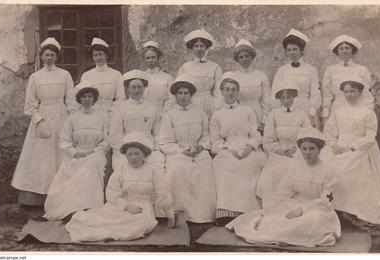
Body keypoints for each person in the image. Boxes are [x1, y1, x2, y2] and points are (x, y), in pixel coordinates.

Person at [227, 127, 341, 247]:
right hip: (295, 204)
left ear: (319, 149)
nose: (308, 152)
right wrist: (266, 212)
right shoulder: (296, 168)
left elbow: (325, 201)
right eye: (304, 149)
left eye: (312, 148)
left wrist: (302, 210)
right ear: (300, 150)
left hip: (318, 209)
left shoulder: (329, 171)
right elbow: (282, 192)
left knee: (313, 221)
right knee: (273, 219)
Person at [65, 132, 175, 242]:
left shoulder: (153, 170)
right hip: (122, 206)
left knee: (139, 226)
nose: (133, 158)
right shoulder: (121, 170)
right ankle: (85, 219)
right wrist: (126, 206)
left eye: (137, 154)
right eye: (130, 154)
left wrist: (170, 215)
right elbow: (112, 193)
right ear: (125, 155)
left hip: (143, 209)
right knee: (105, 220)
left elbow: (162, 193)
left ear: (144, 154)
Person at [11, 37, 75, 208]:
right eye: (46, 55)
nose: (49, 58)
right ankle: (38, 200)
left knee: (62, 155)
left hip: (62, 116)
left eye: (52, 55)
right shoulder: (35, 77)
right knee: (41, 158)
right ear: (42, 56)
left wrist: (72, 122)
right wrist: (40, 121)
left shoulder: (65, 75)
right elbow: (30, 105)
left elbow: (70, 100)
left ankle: (62, 197)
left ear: (57, 56)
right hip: (43, 118)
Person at [322, 79, 380, 226]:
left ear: (359, 92)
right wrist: (334, 145)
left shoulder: (368, 112)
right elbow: (329, 131)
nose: (349, 94)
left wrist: (352, 147)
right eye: (346, 91)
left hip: (361, 148)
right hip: (339, 147)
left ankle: (351, 211)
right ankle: (334, 210)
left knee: (350, 169)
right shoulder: (338, 111)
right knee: (326, 166)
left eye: (352, 91)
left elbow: (370, 137)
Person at [44, 83, 109, 221]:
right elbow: (64, 140)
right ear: (79, 99)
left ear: (94, 98)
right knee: (68, 171)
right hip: (77, 153)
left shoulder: (103, 117)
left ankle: (90, 209)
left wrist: (96, 150)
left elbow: (107, 139)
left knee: (91, 167)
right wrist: (74, 152)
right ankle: (72, 209)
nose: (87, 99)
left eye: (90, 96)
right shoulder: (72, 118)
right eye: (84, 97)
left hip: (96, 153)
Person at [159, 74, 217, 223]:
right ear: (175, 95)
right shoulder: (169, 115)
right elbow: (165, 142)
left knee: (205, 168)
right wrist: (180, 150)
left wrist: (200, 147)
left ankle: (202, 214)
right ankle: (178, 211)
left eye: (186, 93)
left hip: (198, 152)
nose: (183, 97)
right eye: (180, 93)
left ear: (191, 95)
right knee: (177, 169)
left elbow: (206, 136)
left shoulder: (200, 113)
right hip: (177, 151)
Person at [210, 76, 264, 226]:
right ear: (222, 92)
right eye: (227, 90)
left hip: (247, 147)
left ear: (238, 92)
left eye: (234, 90)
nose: (230, 93)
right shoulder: (217, 114)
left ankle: (248, 211)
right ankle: (227, 212)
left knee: (250, 164)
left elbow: (256, 134)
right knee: (225, 165)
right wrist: (227, 149)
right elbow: (215, 141)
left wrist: (250, 147)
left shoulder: (247, 110)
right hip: (227, 148)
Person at [256, 83, 311, 209]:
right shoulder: (273, 114)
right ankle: (273, 208)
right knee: (272, 174)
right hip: (278, 153)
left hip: (299, 152)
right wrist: (279, 150)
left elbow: (308, 135)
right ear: (279, 99)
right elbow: (268, 140)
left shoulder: (302, 114)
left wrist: (299, 149)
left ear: (294, 97)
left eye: (289, 97)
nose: (286, 101)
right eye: (283, 98)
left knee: (299, 172)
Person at [109, 70, 164, 175]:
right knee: (124, 169)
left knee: (157, 165)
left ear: (144, 88)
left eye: (139, 87)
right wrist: (127, 149)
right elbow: (115, 136)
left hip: (148, 148)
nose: (137, 90)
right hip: (126, 149)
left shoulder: (152, 108)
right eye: (133, 87)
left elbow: (158, 133)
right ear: (127, 89)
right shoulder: (119, 109)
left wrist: (155, 148)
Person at [216, 40, 271, 133]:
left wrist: (264, 121)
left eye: (247, 56)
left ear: (252, 57)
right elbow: (224, 98)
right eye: (241, 57)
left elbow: (267, 100)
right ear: (237, 59)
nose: (244, 59)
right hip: (238, 112)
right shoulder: (232, 76)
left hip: (257, 112)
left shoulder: (261, 75)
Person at [271, 29, 321, 129]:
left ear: (301, 50)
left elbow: (315, 93)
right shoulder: (282, 70)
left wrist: (312, 111)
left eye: (295, 49)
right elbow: (274, 93)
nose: (292, 53)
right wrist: (279, 111)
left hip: (305, 108)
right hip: (286, 109)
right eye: (289, 50)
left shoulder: (311, 70)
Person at [321, 35, 373, 128]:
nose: (344, 51)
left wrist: (367, 113)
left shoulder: (362, 70)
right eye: (341, 49)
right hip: (337, 109)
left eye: (347, 48)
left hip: (358, 110)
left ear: (352, 50)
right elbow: (326, 95)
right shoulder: (330, 70)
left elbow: (366, 95)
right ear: (337, 51)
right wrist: (325, 116)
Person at [173, 29, 223, 117]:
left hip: (209, 104)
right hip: (190, 103)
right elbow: (180, 89)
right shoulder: (185, 67)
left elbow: (218, 91)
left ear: (206, 48)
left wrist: (217, 107)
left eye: (202, 46)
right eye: (196, 46)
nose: (199, 49)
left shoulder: (215, 67)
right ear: (192, 48)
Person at [79, 37, 124, 113]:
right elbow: (82, 97)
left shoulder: (116, 74)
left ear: (106, 55)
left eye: (100, 54)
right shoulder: (87, 75)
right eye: (95, 55)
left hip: (111, 112)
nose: (98, 58)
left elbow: (121, 97)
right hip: (92, 112)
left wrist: (113, 110)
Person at [141, 41, 174, 117]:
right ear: (144, 59)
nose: (150, 60)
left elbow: (171, 99)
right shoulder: (141, 77)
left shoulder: (167, 78)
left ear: (158, 58)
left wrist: (163, 114)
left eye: (153, 57)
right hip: (144, 115)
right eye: (147, 58)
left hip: (162, 115)